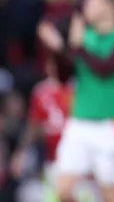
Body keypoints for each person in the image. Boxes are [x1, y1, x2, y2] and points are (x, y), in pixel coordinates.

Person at [38, 0, 114, 202]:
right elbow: (64, 76)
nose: (86, 5)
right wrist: (58, 49)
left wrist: (77, 46)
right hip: (79, 122)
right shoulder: (85, 37)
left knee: (113, 195)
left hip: (110, 125)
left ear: (109, 4)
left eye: (92, 0)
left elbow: (106, 69)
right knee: (62, 189)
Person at [10, 57, 73, 201]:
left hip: (77, 160)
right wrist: (21, 152)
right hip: (51, 159)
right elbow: (33, 127)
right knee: (30, 192)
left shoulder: (78, 90)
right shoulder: (41, 91)